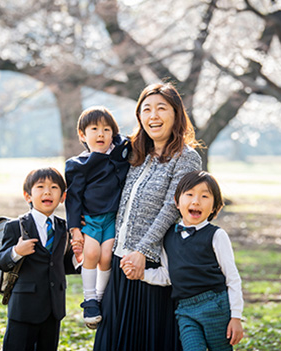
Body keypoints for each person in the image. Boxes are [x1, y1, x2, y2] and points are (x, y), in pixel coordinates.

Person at [93, 82, 202, 351]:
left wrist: (143, 251)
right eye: (146, 109)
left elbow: (172, 207)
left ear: (176, 114)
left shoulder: (186, 157)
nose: (153, 116)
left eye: (161, 109)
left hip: (153, 266)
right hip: (120, 262)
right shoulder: (134, 153)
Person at [125, 170, 244, 351]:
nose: (196, 201)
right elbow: (167, 275)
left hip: (215, 306)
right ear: (177, 201)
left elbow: (232, 278)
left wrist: (236, 317)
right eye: (189, 195)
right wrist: (141, 274)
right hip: (185, 310)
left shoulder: (216, 235)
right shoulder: (168, 236)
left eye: (205, 196)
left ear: (214, 207)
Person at [0, 167, 83, 351]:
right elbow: (1, 262)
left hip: (54, 307)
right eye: (40, 187)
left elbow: (59, 264)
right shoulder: (15, 226)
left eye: (54, 187)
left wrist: (77, 258)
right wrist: (17, 251)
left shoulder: (63, 228)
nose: (47, 192)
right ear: (28, 196)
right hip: (24, 308)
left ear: (62, 197)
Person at [64, 106, 130, 329]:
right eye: (94, 129)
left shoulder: (119, 155)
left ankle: (100, 298)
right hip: (90, 219)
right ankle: (90, 299)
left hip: (112, 219)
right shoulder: (78, 165)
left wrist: (117, 138)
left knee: (106, 257)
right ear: (83, 135)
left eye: (106, 129)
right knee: (91, 253)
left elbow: (127, 141)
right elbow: (73, 198)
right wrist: (74, 228)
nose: (101, 134)